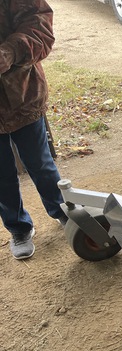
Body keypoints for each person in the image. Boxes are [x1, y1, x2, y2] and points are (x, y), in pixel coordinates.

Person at [0, 0, 67, 260]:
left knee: (41, 163)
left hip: (23, 93)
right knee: (1, 175)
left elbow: (40, 26)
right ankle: (18, 228)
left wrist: (10, 52)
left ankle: (64, 213)